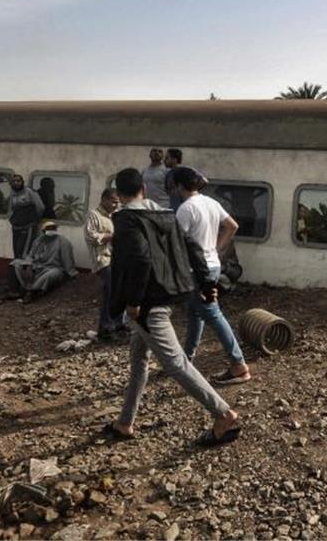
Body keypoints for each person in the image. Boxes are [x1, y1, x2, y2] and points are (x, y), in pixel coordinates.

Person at [105, 167, 241, 447]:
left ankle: (223, 414)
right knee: (138, 359)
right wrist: (205, 284)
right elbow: (193, 247)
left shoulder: (126, 220)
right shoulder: (164, 213)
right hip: (167, 294)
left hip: (147, 305)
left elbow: (141, 260)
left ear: (118, 194)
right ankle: (125, 422)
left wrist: (133, 302)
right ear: (143, 187)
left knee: (176, 363)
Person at [174, 167, 251, 386]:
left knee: (212, 313)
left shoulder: (186, 209)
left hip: (197, 269)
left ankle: (239, 365)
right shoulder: (211, 203)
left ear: (179, 186)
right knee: (195, 313)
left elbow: (178, 243)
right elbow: (232, 226)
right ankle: (186, 359)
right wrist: (217, 248)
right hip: (213, 265)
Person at [85, 188, 125, 339]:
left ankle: (118, 324)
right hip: (102, 259)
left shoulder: (116, 215)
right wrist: (112, 237)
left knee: (120, 290)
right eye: (114, 202)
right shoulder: (93, 215)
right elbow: (91, 237)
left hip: (116, 258)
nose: (116, 205)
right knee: (111, 289)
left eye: (118, 202)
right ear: (104, 199)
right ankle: (106, 328)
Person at [7, 220, 78, 301]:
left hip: (53, 268)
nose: (51, 230)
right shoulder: (38, 241)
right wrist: (27, 264)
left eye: (53, 228)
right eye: (48, 228)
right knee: (15, 263)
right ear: (43, 231)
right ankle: (14, 291)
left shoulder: (63, 242)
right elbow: (31, 255)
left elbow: (67, 260)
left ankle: (32, 292)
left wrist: (71, 273)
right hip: (36, 267)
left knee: (52, 274)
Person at [8, 174, 44, 258]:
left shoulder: (29, 192)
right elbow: (11, 209)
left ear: (22, 182)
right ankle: (16, 267)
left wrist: (33, 220)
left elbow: (40, 207)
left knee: (25, 250)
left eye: (18, 181)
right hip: (16, 227)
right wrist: (12, 219)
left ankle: (23, 268)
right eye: (14, 181)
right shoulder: (13, 194)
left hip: (28, 227)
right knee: (16, 250)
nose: (16, 183)